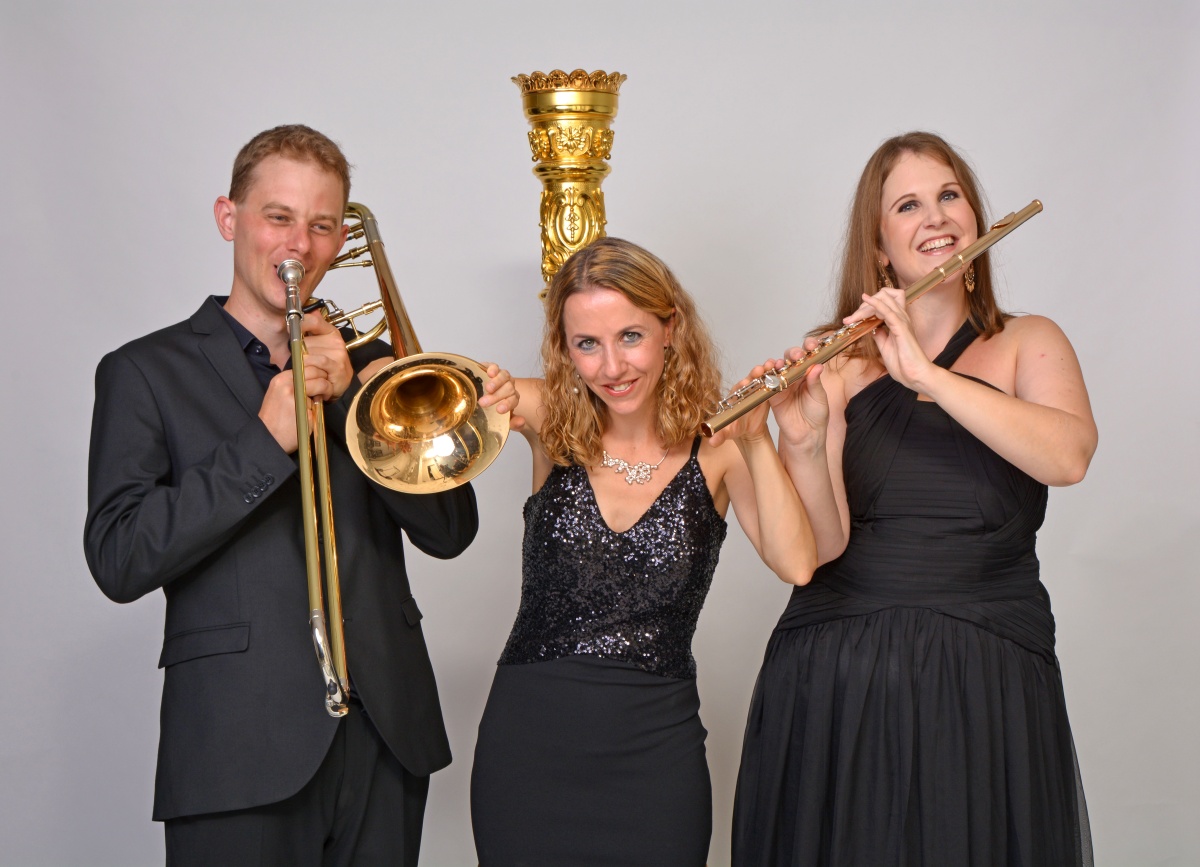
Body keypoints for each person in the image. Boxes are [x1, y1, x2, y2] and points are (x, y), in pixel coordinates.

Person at [83, 124, 516, 867]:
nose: (301, 244)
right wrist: (264, 440)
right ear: (230, 218)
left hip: (385, 738)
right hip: (236, 748)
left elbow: (450, 529)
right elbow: (120, 557)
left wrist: (357, 403)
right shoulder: (145, 372)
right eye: (278, 217)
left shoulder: (375, 367)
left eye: (321, 224)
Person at [732, 131, 1098, 865]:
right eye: (908, 204)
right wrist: (800, 435)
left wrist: (926, 375)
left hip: (983, 674)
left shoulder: (1030, 342)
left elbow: (1069, 456)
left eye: (949, 195)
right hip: (838, 674)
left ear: (975, 217)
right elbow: (820, 547)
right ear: (880, 250)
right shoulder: (834, 362)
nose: (936, 216)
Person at [469, 237, 818, 865]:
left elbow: (797, 563)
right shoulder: (549, 415)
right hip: (527, 748)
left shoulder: (719, 445)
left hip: (655, 755)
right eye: (586, 344)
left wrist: (757, 441)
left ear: (671, 329)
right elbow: (431, 401)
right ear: (564, 350)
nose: (611, 367)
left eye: (630, 336)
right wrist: (481, 389)